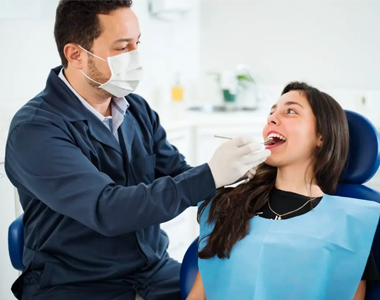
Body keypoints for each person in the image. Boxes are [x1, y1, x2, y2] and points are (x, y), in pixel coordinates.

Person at [4, 1, 271, 300]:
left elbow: (179, 176)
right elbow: (108, 209)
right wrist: (209, 175)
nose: (135, 57)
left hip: (151, 273)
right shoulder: (36, 130)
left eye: (137, 44)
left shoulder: (136, 110)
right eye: (121, 48)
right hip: (77, 284)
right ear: (75, 54)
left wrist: (241, 181)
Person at [187, 82, 380, 300]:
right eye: (271, 112)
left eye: (291, 111)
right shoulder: (228, 205)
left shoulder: (351, 226)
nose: (271, 119)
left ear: (321, 137)